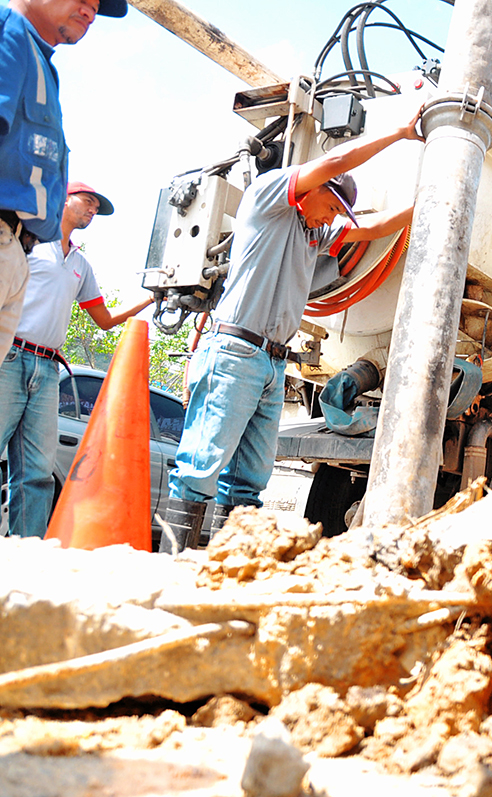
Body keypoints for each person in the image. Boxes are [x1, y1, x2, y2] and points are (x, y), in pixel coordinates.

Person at [162, 112, 423, 553]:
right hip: (235, 352)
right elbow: (336, 162)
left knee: (248, 483)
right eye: (333, 206)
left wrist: (430, 199)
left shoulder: (312, 232)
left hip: (270, 363)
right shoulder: (268, 200)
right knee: (200, 466)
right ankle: (171, 565)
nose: (332, 219)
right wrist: (399, 132)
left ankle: (225, 568)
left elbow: (374, 228)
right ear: (312, 188)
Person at [0, 181, 152, 538]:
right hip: (11, 357)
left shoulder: (81, 264)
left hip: (48, 368)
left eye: (97, 208)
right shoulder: (29, 245)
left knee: (37, 471)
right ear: (63, 200)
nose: (92, 210)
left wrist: (150, 299)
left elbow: (105, 321)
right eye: (88, 202)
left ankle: (26, 555)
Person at [0, 0, 128, 362]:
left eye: (95, 7)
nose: (90, 12)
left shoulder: (39, 62)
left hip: (17, 245)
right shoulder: (8, 31)